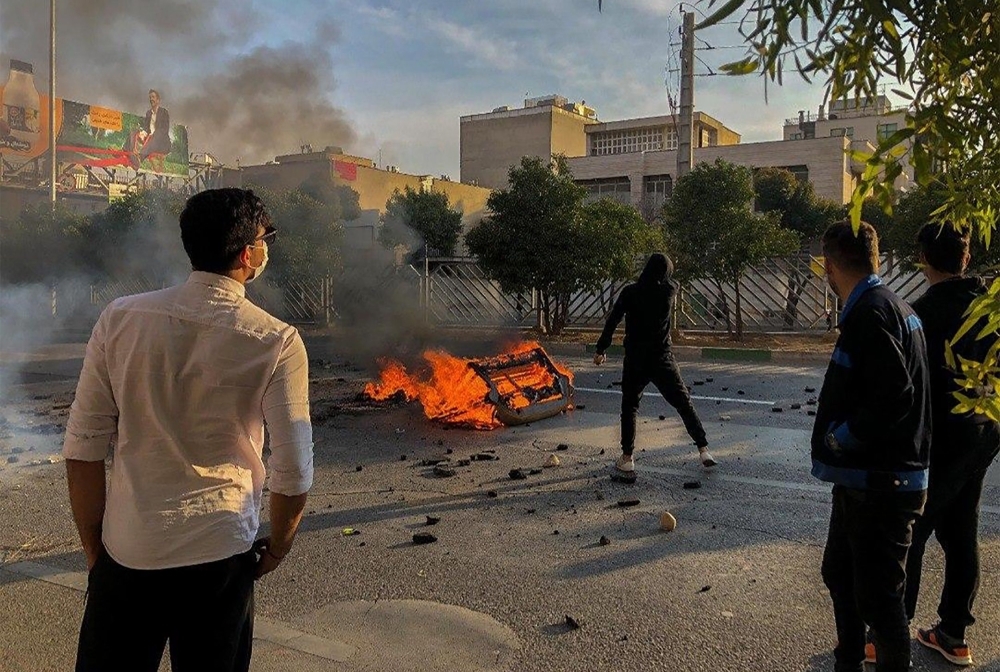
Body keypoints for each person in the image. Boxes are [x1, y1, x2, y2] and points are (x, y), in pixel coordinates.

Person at [63, 188, 314, 672]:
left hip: (128, 552)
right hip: (220, 560)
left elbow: (83, 447)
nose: (268, 249)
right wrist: (278, 547)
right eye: (267, 239)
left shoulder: (120, 319)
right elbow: (294, 472)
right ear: (247, 254)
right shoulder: (278, 341)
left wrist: (96, 551)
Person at [811, 221, 931, 672]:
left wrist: (844, 437)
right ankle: (848, 661)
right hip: (866, 479)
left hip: (881, 482)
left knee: (882, 603)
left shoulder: (871, 313)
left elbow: (895, 393)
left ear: (832, 263)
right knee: (839, 574)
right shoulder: (893, 305)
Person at [903, 223, 1000, 666]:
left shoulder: (921, 314)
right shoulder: (988, 307)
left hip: (939, 441)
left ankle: (885, 632)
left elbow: (910, 389)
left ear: (924, 258)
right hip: (982, 435)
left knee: (911, 532)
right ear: (965, 256)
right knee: (962, 531)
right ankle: (953, 633)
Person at [593, 252, 716, 473]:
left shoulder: (630, 293)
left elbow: (613, 320)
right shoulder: (669, 291)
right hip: (662, 359)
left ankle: (628, 457)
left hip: (635, 360)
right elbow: (673, 280)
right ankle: (703, 449)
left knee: (630, 407)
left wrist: (601, 349)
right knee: (684, 404)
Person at [128, 89, 171, 169]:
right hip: (150, 140)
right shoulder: (148, 113)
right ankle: (128, 153)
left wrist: (153, 134)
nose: (151, 99)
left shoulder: (164, 112)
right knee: (134, 131)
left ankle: (140, 158)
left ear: (158, 100)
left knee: (158, 133)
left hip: (162, 144)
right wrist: (143, 133)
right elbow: (146, 128)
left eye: (153, 97)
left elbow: (165, 130)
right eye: (150, 97)